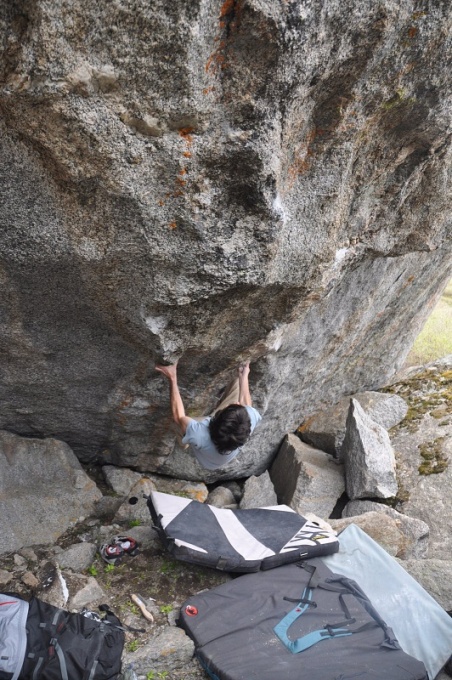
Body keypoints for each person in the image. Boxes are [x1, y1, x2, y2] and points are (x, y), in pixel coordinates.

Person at [155, 360, 262, 470]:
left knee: (178, 423)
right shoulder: (246, 423)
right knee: (238, 385)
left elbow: (179, 416)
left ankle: (185, 440)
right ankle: (235, 387)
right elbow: (246, 405)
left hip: (207, 461)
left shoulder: (200, 434)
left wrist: (172, 377)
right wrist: (244, 376)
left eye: (234, 406)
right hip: (222, 443)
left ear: (216, 418)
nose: (237, 403)